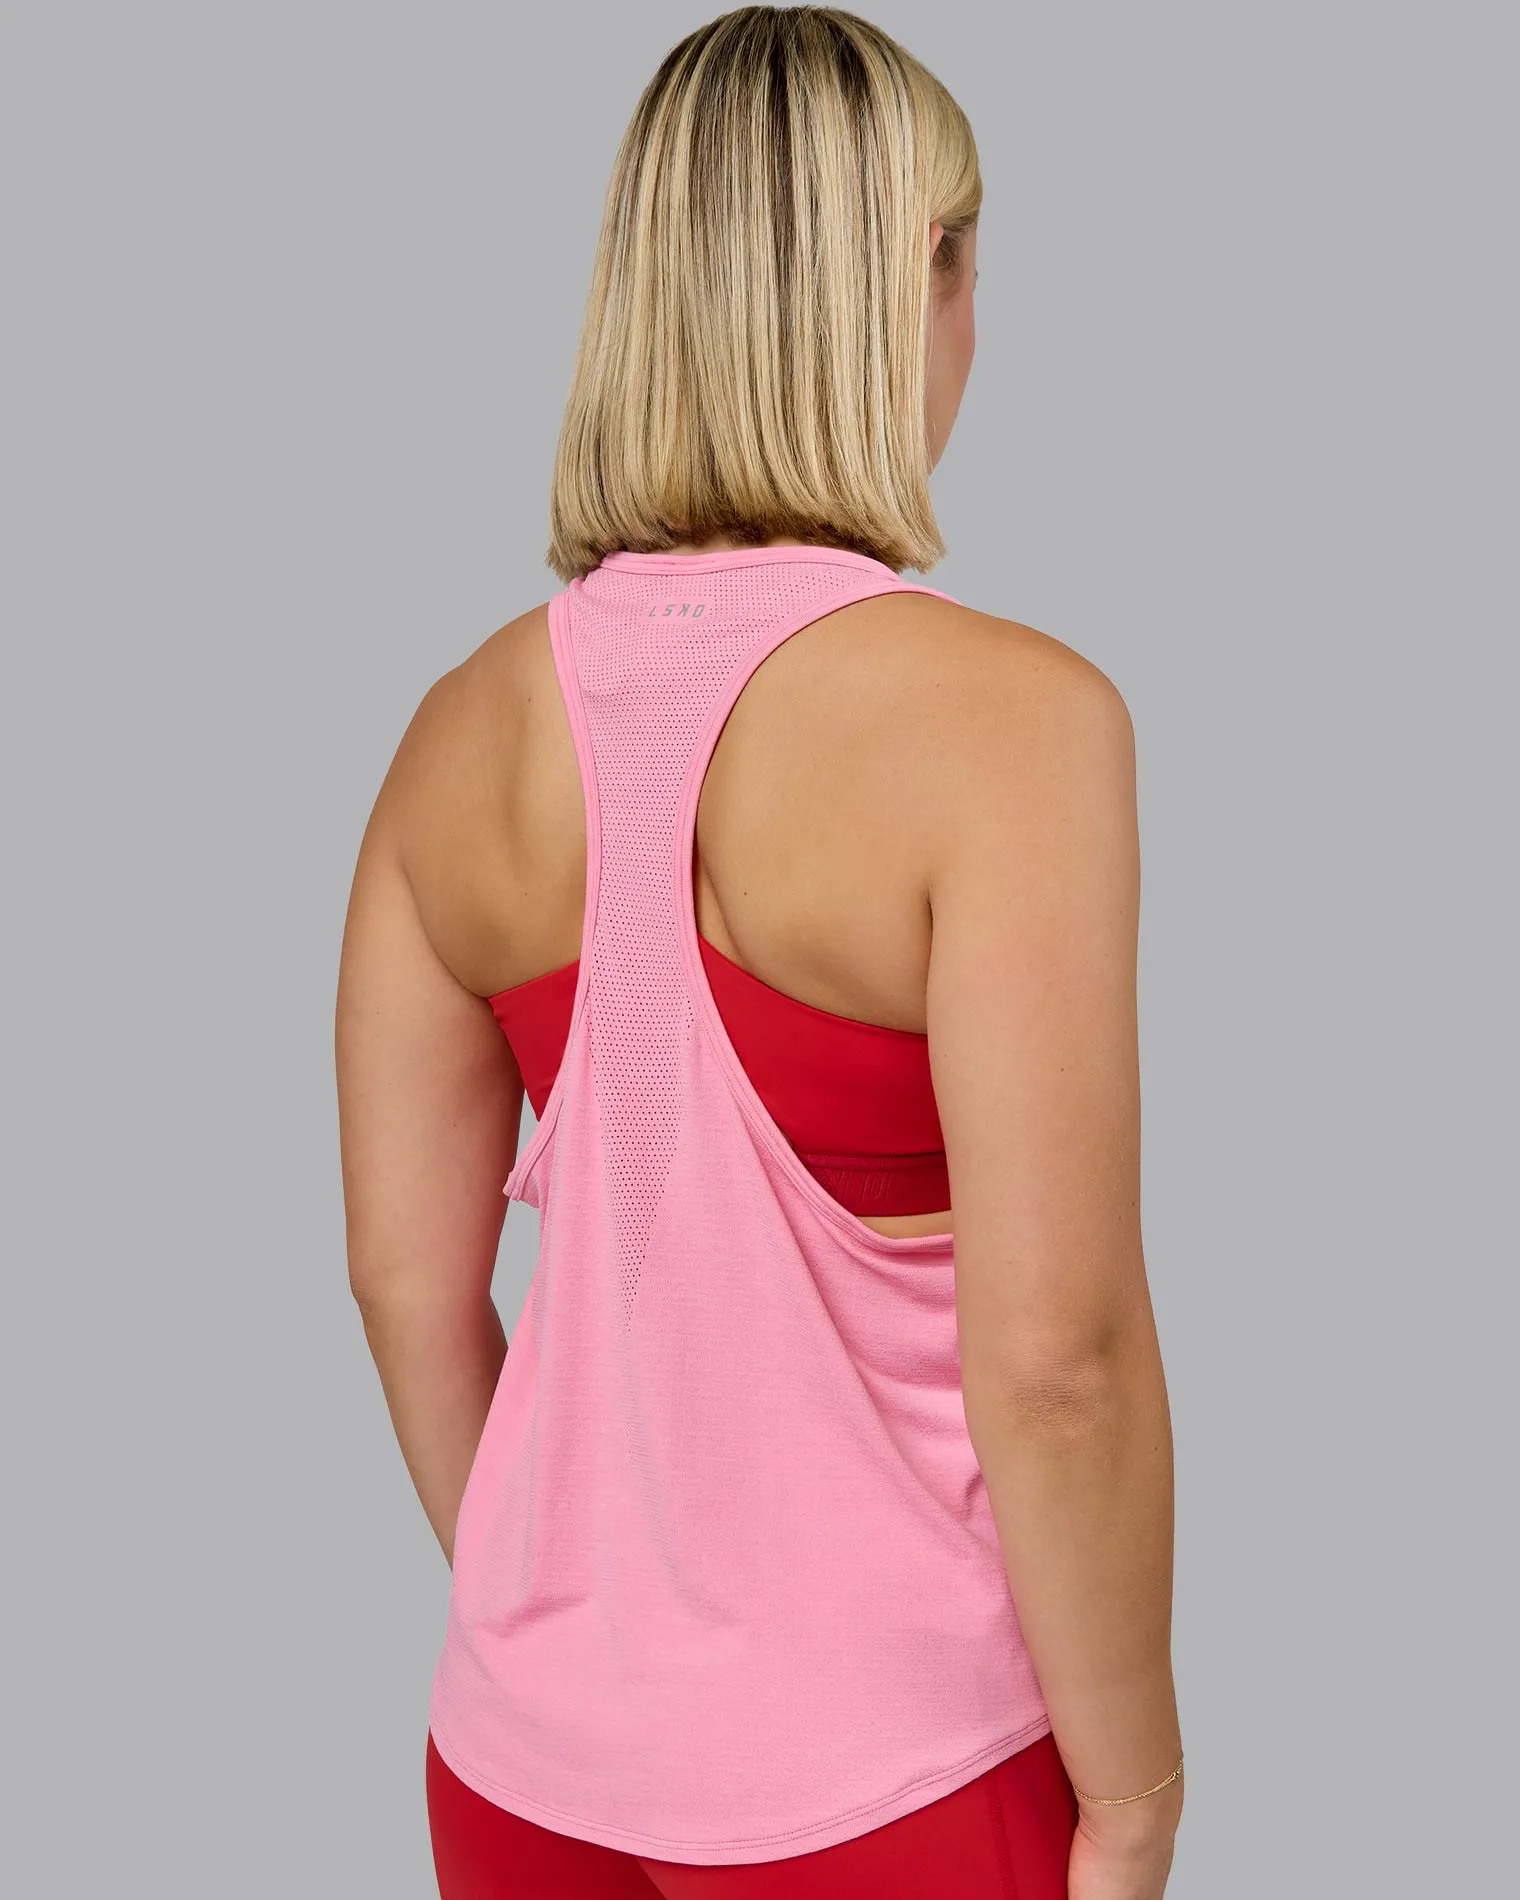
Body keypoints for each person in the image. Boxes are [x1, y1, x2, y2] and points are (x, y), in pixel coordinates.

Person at [335, 9, 1181, 1897]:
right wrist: (1135, 1792)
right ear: (921, 278)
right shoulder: (1015, 727)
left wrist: (585, 1652)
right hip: (897, 1783)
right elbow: (1059, 1361)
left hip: (520, 1780)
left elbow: (404, 1282)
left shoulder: (452, 737)